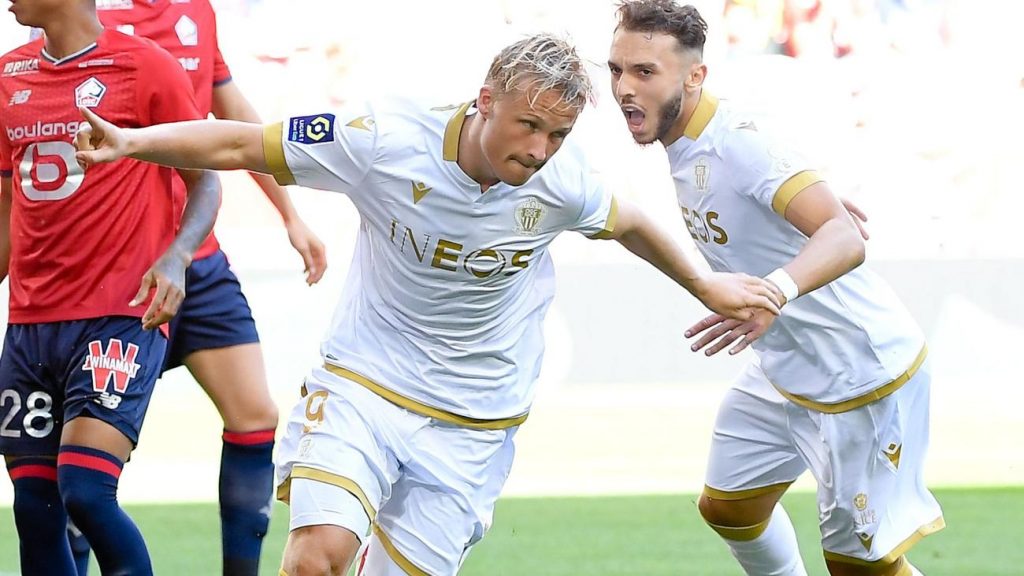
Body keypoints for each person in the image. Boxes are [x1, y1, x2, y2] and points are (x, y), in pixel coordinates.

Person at [74, 33, 785, 576]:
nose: (540, 150)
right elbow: (240, 144)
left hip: (473, 421)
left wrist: (704, 285)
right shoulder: (383, 140)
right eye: (529, 125)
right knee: (314, 558)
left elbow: (628, 222)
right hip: (365, 385)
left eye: (558, 134)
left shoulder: (564, 181)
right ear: (485, 100)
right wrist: (133, 141)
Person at [607, 2, 942, 575]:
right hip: (785, 367)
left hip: (859, 372)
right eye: (616, 70)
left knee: (860, 568)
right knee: (729, 508)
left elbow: (845, 236)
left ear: (695, 75)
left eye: (644, 72)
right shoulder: (688, 142)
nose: (624, 89)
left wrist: (775, 292)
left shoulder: (738, 143)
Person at [53, 3, 329, 574]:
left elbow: (234, 119)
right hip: (118, 270)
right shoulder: (84, 15)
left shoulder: (195, 10)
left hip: (196, 258)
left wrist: (290, 214)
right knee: (83, 456)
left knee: (255, 414)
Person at [0, 0, 221, 574]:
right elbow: (7, 207)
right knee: (34, 507)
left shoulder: (144, 66)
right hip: (29, 324)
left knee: (85, 490)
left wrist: (177, 257)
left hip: (118, 315)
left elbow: (205, 180)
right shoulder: (8, 75)